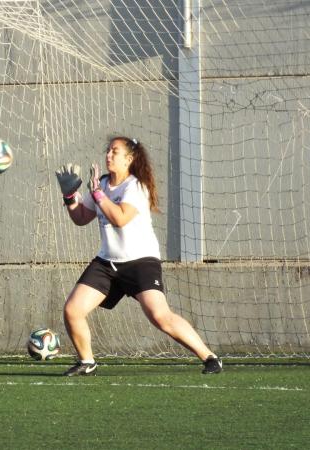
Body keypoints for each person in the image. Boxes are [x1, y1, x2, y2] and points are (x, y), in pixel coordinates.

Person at [55, 136, 222, 376]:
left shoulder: (135, 186)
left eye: (115, 152)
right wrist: (70, 197)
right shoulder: (101, 183)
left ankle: (209, 357)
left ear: (129, 159)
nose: (109, 155)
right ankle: (86, 361)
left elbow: (120, 219)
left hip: (141, 262)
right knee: (72, 310)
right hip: (107, 262)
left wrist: (99, 195)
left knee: (160, 316)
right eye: (108, 151)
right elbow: (81, 219)